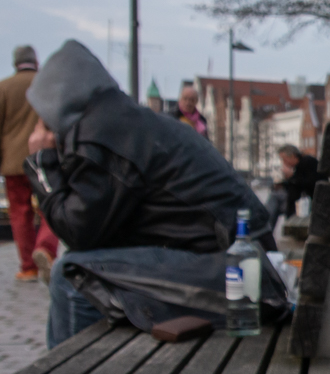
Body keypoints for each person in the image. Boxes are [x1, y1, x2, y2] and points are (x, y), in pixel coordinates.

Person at [24, 40, 283, 346]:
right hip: (241, 265)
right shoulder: (124, 123)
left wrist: (43, 163)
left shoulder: (104, 135)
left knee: (71, 276)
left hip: (239, 277)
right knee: (86, 265)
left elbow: (78, 231)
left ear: (55, 105)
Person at [1, 45, 58, 282]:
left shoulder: (4, 88)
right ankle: (45, 248)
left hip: (13, 162)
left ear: (15, 63)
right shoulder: (46, 84)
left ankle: (28, 267)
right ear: (35, 61)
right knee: (50, 206)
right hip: (44, 156)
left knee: (20, 213)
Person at [264, 144, 321, 233]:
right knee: (274, 197)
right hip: (299, 204)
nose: (283, 162)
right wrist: (282, 184)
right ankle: (266, 230)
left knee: (274, 198)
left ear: (292, 156)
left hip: (305, 205)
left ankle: (266, 231)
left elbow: (307, 184)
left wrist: (290, 178)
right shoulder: (300, 165)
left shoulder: (307, 162)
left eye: (283, 159)